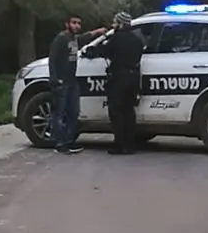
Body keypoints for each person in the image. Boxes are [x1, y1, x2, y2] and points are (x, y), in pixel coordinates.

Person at [47, 13, 106, 154]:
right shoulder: (61, 38)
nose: (76, 26)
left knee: (73, 112)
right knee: (59, 114)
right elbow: (52, 59)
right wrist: (55, 79)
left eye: (79, 23)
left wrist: (97, 32)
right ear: (67, 24)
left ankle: (69, 141)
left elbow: (84, 37)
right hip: (62, 81)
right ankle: (60, 143)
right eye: (74, 23)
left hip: (72, 81)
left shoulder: (74, 39)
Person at [101, 11, 145, 155]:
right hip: (133, 78)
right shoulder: (137, 40)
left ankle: (119, 145)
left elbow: (104, 51)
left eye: (115, 22)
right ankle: (130, 145)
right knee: (129, 111)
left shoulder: (116, 39)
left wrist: (91, 50)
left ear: (120, 24)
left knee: (116, 111)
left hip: (119, 78)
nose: (113, 25)